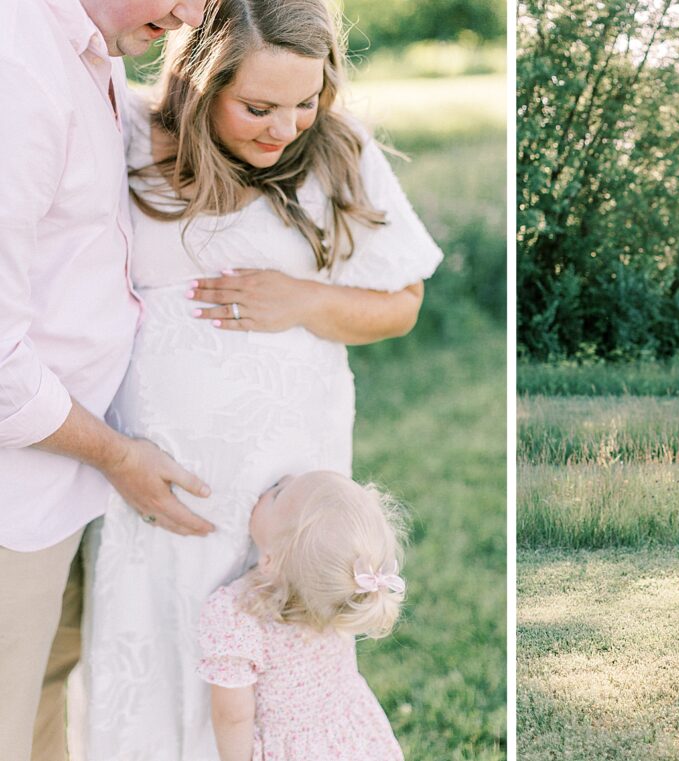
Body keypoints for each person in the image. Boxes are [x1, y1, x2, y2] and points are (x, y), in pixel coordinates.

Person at [80, 0, 443, 758]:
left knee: (278, 676)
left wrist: (305, 299)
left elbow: (403, 304)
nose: (285, 128)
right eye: (258, 106)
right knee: (158, 658)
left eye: (306, 102)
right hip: (158, 483)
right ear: (203, 83)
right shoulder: (129, 134)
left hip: (289, 491)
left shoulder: (340, 152)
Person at [0, 1, 210, 759]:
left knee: (44, 701)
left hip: (60, 483)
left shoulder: (97, 44)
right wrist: (119, 457)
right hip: (13, 497)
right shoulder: (17, 70)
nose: (189, 15)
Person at [198, 471, 406, 760]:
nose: (284, 476)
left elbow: (232, 714)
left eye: (278, 494)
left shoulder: (236, 613)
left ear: (270, 561)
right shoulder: (337, 593)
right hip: (351, 739)